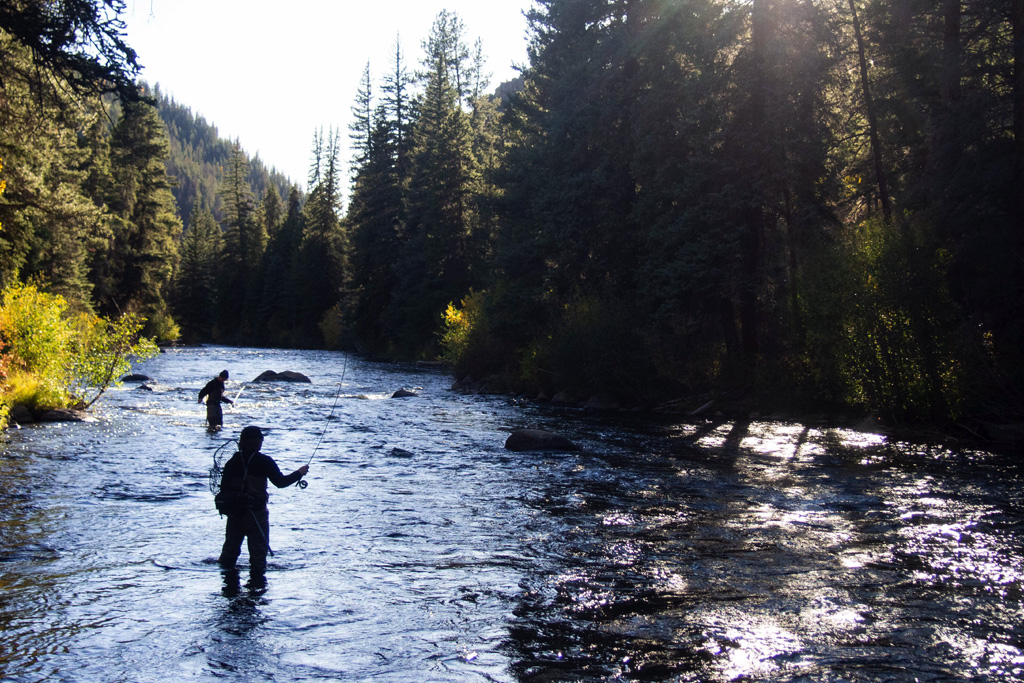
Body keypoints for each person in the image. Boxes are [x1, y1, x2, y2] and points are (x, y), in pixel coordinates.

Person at [216, 426, 308, 578]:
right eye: (260, 439)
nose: (261, 442)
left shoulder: (233, 461)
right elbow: (280, 482)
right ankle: (256, 592)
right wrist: (299, 473)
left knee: (229, 555)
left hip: (235, 513)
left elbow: (224, 488)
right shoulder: (264, 461)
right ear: (256, 441)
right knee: (258, 560)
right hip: (256, 514)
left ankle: (229, 590)